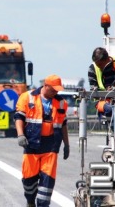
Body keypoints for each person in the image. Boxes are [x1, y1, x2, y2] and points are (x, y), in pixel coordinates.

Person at [14, 74, 70, 207]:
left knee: (47, 181)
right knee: (29, 179)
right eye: (53, 89)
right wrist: (20, 135)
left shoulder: (61, 102)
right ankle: (30, 201)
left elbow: (63, 124)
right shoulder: (27, 97)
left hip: (51, 147)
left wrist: (66, 144)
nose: (55, 92)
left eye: (57, 90)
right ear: (45, 86)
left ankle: (43, 204)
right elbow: (19, 118)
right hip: (31, 144)